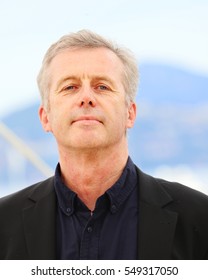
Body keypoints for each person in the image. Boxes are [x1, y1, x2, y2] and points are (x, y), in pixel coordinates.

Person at [0, 30, 208, 260]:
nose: (86, 97)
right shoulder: (4, 223)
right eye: (70, 87)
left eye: (102, 87)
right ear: (45, 117)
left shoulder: (198, 218)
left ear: (130, 113)